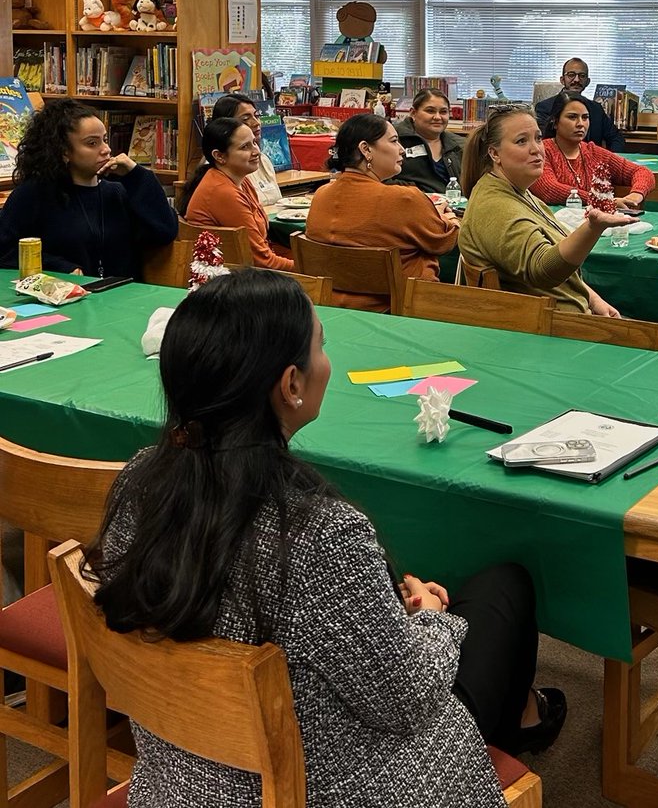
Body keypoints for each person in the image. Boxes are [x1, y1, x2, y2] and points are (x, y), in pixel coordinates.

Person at [86, 268, 566, 808]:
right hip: (325, 786)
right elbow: (406, 701)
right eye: (321, 346)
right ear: (291, 384)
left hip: (177, 783)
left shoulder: (140, 480)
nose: (327, 364)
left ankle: (521, 718)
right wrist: (432, 620)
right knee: (503, 591)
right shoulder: (318, 534)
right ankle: (520, 724)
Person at [458, 105, 633, 315]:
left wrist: (593, 300)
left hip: (567, 316)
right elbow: (543, 269)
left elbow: (558, 268)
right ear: (494, 153)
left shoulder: (519, 192)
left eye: (538, 138)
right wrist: (593, 227)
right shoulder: (494, 207)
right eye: (521, 141)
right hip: (548, 330)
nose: (536, 149)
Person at [0, 99, 176, 279]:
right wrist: (58, 267)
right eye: (92, 143)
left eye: (105, 140)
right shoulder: (34, 194)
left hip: (123, 298)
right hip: (63, 300)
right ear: (64, 151)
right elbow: (5, 253)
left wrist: (136, 174)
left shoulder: (118, 191)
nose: (106, 149)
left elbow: (164, 232)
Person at [307, 113, 460, 312]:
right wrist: (449, 218)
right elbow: (444, 240)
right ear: (366, 149)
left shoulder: (321, 195)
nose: (402, 150)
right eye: (394, 141)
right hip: (401, 310)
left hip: (328, 310)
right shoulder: (404, 199)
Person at [181, 117, 293, 271]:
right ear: (219, 156)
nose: (256, 151)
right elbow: (262, 262)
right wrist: (314, 268)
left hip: (245, 271)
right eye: (245, 147)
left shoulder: (241, 180)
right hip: (235, 278)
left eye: (254, 143)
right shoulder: (223, 192)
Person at [531, 92, 655, 207]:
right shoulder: (541, 151)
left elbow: (642, 172)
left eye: (585, 118)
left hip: (592, 224)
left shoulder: (593, 152)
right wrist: (604, 201)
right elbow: (549, 189)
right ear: (555, 122)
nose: (580, 124)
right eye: (572, 117)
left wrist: (636, 195)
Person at [386, 88, 465, 196]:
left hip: (454, 208)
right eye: (430, 111)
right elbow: (381, 180)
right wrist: (418, 193)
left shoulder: (460, 145)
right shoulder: (393, 140)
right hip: (409, 204)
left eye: (443, 112)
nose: (437, 117)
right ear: (413, 113)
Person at [532, 58, 623, 150]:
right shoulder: (544, 107)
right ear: (562, 80)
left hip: (591, 161)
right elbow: (541, 141)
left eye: (582, 76)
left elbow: (616, 138)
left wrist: (610, 159)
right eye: (571, 75)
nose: (576, 80)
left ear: (587, 82)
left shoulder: (596, 109)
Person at [211, 92, 282, 207]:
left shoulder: (262, 159)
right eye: (245, 119)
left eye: (257, 116)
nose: (256, 123)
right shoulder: (222, 167)